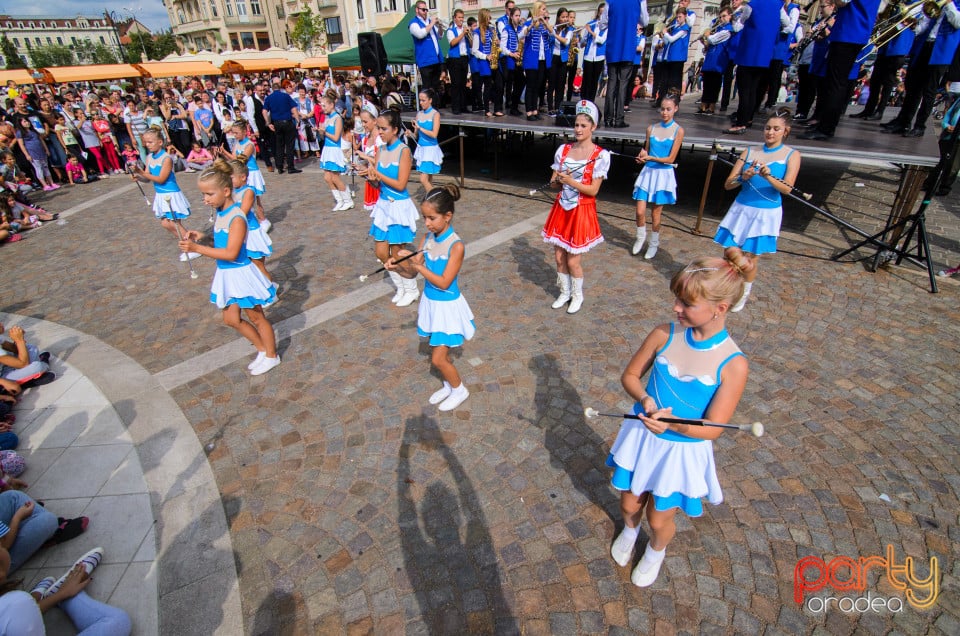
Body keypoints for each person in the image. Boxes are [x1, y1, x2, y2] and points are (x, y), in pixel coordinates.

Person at [606, 251, 751, 588]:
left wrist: (671, 424)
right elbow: (630, 376)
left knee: (659, 518)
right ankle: (629, 532)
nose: (676, 307)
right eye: (676, 298)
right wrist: (644, 399)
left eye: (687, 303)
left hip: (680, 451)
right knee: (629, 502)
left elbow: (713, 428)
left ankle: (656, 551)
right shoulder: (663, 333)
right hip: (642, 437)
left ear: (720, 309)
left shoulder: (733, 363)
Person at [179, 161, 280, 376]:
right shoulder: (222, 213)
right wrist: (204, 238)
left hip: (241, 273)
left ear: (226, 191)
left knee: (257, 317)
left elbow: (232, 253)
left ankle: (272, 355)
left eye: (209, 194)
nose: (205, 199)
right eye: (203, 195)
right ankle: (262, 349)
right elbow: (221, 243)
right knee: (231, 319)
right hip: (227, 274)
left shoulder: (237, 217)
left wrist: (197, 248)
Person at [386, 185, 475, 412]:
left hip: (447, 307)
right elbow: (414, 273)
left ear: (448, 216)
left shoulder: (456, 246)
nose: (426, 223)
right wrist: (396, 267)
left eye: (431, 218)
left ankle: (460, 389)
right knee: (436, 352)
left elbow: (444, 281)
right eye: (424, 217)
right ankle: (448, 384)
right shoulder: (427, 237)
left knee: (437, 359)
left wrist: (416, 263)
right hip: (430, 303)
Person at [715, 108, 801, 311]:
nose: (770, 132)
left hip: (765, 212)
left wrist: (768, 176)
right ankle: (727, 287)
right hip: (741, 207)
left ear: (785, 131)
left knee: (750, 257)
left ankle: (743, 292)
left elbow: (787, 188)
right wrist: (743, 177)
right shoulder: (750, 151)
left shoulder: (792, 155)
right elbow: (728, 184)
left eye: (776, 129)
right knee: (730, 251)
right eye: (768, 128)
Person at [541, 100, 610, 314]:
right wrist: (559, 180)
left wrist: (571, 182)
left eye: (583, 126)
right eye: (577, 125)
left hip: (581, 210)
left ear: (593, 128)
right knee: (559, 256)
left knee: (573, 260)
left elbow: (593, 190)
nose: (578, 129)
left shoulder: (600, 155)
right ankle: (564, 292)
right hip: (562, 208)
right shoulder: (564, 150)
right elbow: (553, 184)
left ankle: (578, 295)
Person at [359, 109, 421, 307]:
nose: (379, 132)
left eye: (383, 128)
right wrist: (370, 177)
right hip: (383, 205)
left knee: (397, 253)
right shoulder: (381, 150)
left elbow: (401, 184)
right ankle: (401, 286)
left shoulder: (403, 151)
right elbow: (378, 184)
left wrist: (378, 174)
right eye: (378, 128)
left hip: (398, 206)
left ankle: (411, 289)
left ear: (395, 129)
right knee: (381, 253)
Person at [0, 545, 131, 635]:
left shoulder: (15, 604)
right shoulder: (17, 603)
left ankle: (56, 595)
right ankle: (66, 597)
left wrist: (61, 594)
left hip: (19, 609)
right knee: (118, 622)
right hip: (20, 609)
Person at [799, 0, 883, 140]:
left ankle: (826, 128)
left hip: (848, 31)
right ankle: (824, 123)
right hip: (855, 32)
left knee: (835, 83)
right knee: (835, 82)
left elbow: (842, 2)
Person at [879, 2, 960, 137]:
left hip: (941, 50)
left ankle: (920, 126)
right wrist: (913, 26)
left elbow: (957, 22)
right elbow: (927, 23)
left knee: (929, 90)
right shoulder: (936, 4)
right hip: (925, 44)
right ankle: (903, 121)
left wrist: (949, 4)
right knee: (913, 86)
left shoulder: (953, 4)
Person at [131, 129, 201, 264]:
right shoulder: (149, 157)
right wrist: (139, 176)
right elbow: (148, 178)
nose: (148, 145)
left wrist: (142, 173)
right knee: (165, 223)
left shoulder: (166, 158)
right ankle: (188, 243)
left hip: (171, 193)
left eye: (150, 142)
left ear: (160, 142)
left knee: (175, 222)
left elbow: (161, 178)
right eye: (145, 142)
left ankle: (192, 247)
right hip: (160, 195)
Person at [632, 91, 685, 259]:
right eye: (662, 109)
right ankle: (640, 237)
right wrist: (642, 156)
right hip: (648, 173)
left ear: (675, 109)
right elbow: (646, 149)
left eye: (668, 109)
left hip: (663, 175)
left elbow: (671, 158)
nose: (665, 113)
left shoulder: (678, 130)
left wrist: (651, 158)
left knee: (656, 213)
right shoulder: (651, 128)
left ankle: (654, 243)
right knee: (640, 211)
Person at [229, 159, 276, 299]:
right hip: (242, 233)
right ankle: (261, 289)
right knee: (251, 266)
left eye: (231, 178)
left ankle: (271, 291)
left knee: (259, 265)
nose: (229, 181)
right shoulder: (232, 192)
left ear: (242, 177)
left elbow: (242, 212)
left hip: (252, 233)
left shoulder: (248, 191)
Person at [220, 121, 268, 230]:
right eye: (234, 133)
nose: (235, 135)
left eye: (237, 133)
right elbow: (233, 158)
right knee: (241, 196)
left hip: (251, 173)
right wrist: (223, 152)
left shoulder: (249, 144)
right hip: (240, 172)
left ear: (244, 132)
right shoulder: (237, 144)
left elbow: (241, 159)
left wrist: (226, 153)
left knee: (255, 198)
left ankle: (263, 220)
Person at [318, 90, 352, 212]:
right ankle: (339, 200)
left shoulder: (337, 118)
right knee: (327, 177)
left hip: (334, 149)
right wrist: (321, 132)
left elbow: (336, 137)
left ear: (331, 104)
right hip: (327, 149)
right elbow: (324, 136)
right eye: (321, 105)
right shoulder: (328, 118)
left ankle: (348, 200)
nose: (323, 108)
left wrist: (324, 132)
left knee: (335, 177)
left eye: (324, 105)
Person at [522, 2, 555, 121]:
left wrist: (545, 22)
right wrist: (531, 24)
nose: (545, 11)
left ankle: (535, 110)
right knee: (530, 86)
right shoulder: (529, 22)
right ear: (538, 10)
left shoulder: (543, 25)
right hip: (531, 59)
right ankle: (529, 111)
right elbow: (521, 35)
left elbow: (552, 33)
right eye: (543, 9)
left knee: (538, 85)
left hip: (542, 59)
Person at [698, 8, 734, 115]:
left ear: (730, 16)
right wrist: (703, 41)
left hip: (718, 61)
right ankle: (703, 105)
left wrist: (708, 34)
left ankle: (711, 106)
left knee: (715, 84)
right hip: (710, 59)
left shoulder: (728, 30)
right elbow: (710, 44)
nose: (722, 19)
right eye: (720, 16)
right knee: (707, 83)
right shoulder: (718, 29)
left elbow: (713, 39)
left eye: (724, 16)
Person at [263, 80, 301, 175]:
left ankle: (279, 167)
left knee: (279, 145)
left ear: (272, 89)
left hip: (277, 123)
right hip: (287, 122)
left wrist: (268, 123)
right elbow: (294, 108)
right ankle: (290, 167)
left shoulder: (269, 98)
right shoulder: (285, 96)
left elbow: (264, 111)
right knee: (289, 145)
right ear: (280, 88)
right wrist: (297, 120)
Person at [472, 9, 504, 118]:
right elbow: (474, 51)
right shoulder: (477, 32)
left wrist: (498, 43)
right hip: (485, 62)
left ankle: (497, 109)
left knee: (499, 85)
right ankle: (486, 110)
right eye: (488, 17)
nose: (490, 19)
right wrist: (486, 56)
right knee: (488, 87)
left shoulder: (491, 30)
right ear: (484, 18)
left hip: (495, 61)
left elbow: (496, 45)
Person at [410, 1, 445, 94]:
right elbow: (420, 34)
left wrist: (440, 26)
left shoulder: (429, 22)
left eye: (426, 10)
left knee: (435, 88)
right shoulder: (413, 23)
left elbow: (440, 36)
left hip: (436, 60)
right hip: (425, 61)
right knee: (427, 88)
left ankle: (435, 107)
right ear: (417, 10)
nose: (425, 12)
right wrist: (432, 23)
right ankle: (428, 108)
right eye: (423, 9)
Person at [413, 88, 443, 194]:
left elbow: (434, 134)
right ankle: (432, 198)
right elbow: (415, 135)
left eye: (423, 100)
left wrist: (420, 128)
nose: (421, 103)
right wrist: (410, 133)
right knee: (429, 178)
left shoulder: (435, 114)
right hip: (421, 148)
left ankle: (434, 197)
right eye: (420, 100)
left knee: (423, 179)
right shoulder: (419, 114)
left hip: (430, 149)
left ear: (430, 100)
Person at [354, 105, 382, 212]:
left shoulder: (381, 139)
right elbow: (368, 164)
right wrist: (360, 167)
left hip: (381, 180)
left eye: (365, 122)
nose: (363, 125)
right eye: (362, 121)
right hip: (371, 180)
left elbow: (382, 163)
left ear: (375, 121)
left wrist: (365, 156)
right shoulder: (365, 139)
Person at [580, 3, 608, 103]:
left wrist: (591, 32)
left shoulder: (607, 27)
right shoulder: (591, 23)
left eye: (603, 14)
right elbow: (583, 42)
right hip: (588, 55)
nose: (601, 16)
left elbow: (601, 40)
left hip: (599, 57)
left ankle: (590, 101)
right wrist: (581, 36)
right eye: (600, 13)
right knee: (586, 79)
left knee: (594, 80)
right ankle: (583, 100)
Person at [446, 9, 472, 115]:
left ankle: (463, 106)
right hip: (454, 59)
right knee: (456, 84)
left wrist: (469, 36)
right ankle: (455, 107)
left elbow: (470, 44)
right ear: (455, 18)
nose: (461, 19)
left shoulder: (465, 30)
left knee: (463, 83)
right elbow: (453, 42)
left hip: (464, 58)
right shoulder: (450, 31)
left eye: (462, 17)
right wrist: (462, 34)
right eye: (459, 17)